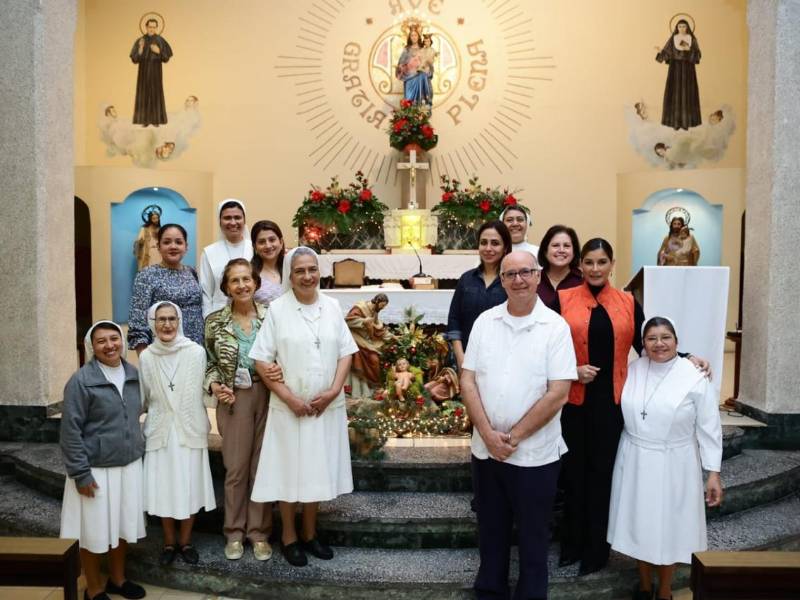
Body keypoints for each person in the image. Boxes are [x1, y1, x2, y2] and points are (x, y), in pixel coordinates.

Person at [556, 238, 710, 576]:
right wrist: (571, 372)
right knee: (574, 473)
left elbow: (649, 344)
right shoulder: (563, 299)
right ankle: (572, 544)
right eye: (589, 262)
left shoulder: (626, 300)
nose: (595, 269)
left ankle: (597, 550)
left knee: (602, 474)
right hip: (573, 401)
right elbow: (548, 347)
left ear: (612, 264)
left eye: (602, 262)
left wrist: (687, 358)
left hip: (612, 402)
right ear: (580, 265)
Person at [460, 251, 577, 599]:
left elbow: (559, 393)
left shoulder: (555, 327)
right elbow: (468, 381)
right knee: (491, 531)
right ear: (502, 281)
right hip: (486, 453)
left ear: (539, 276)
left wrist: (512, 437)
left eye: (526, 272)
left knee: (532, 537)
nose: (518, 280)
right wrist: (487, 434)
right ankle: (490, 592)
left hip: (535, 456)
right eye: (510, 274)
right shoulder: (485, 322)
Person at [249, 247, 358, 567]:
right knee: (289, 472)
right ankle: (289, 537)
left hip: (325, 406)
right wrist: (290, 399)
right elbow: (260, 359)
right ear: (289, 276)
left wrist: (335, 389)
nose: (307, 276)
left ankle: (310, 533)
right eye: (300, 271)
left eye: (312, 270)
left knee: (316, 471)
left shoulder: (333, 306)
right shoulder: (278, 310)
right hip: (291, 408)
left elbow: (346, 352)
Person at [608, 317, 723, 600]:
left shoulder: (694, 375)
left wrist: (713, 472)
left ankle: (666, 591)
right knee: (640, 523)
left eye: (666, 337)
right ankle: (645, 587)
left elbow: (709, 427)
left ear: (677, 342)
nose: (659, 344)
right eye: (651, 338)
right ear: (643, 343)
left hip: (675, 460)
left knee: (668, 526)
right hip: (634, 456)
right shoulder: (633, 369)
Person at [60, 321, 147, 600]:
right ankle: (94, 588)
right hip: (95, 468)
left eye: (114, 338)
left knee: (121, 526)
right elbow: (70, 431)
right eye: (101, 341)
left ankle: (118, 580)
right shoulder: (81, 381)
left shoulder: (133, 374)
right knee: (92, 532)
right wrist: (80, 473)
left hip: (128, 465)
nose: (110, 345)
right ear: (91, 347)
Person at [204, 258, 276, 562]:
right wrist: (214, 386)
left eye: (247, 279)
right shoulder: (214, 322)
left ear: (256, 283)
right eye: (235, 280)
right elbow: (208, 363)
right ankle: (233, 532)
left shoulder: (271, 317)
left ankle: (258, 533)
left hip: (269, 395)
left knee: (262, 467)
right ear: (226, 287)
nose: (242, 285)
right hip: (233, 398)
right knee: (235, 469)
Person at [140, 301, 216, 567]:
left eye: (172, 318)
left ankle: (186, 541)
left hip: (189, 429)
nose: (167, 324)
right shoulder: (146, 356)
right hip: (160, 431)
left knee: (189, 485)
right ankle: (169, 542)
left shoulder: (195, 352)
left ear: (180, 321)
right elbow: (144, 396)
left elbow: (206, 388)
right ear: (153, 323)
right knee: (164, 488)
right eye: (161, 319)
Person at [446, 221, 512, 370]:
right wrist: (460, 357)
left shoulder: (512, 280)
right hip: (466, 356)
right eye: (483, 243)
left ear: (505, 248)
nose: (488, 248)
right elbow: (454, 319)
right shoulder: (466, 279)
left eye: (495, 243)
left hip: (502, 360)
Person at [128, 224, 204, 353]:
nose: (173, 246)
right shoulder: (147, 275)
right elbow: (138, 319)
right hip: (163, 351)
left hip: (196, 348)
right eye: (167, 242)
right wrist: (144, 358)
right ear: (158, 246)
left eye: (178, 242)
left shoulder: (191, 272)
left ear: (186, 247)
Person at [199, 199, 254, 318]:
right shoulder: (209, 252)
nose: (233, 222)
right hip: (219, 317)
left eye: (237, 217)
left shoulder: (255, 249)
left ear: (244, 220)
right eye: (227, 218)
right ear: (220, 222)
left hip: (252, 315)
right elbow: (206, 293)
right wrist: (209, 320)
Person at [656, 19, 701, 130]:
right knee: (675, 94)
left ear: (687, 28)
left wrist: (689, 50)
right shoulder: (673, 39)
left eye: (684, 26)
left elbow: (698, 55)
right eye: (679, 26)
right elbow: (667, 53)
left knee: (687, 94)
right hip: (675, 70)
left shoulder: (692, 39)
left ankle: (687, 123)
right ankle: (675, 123)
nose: (681, 28)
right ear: (676, 27)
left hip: (688, 70)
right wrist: (661, 51)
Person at [130, 18, 172, 127]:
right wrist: (140, 48)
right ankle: (145, 120)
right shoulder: (141, 40)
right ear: (146, 27)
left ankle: (156, 120)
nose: (152, 29)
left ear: (156, 27)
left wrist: (159, 51)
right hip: (143, 72)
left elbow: (166, 58)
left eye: (154, 27)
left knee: (155, 93)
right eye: (150, 27)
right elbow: (134, 60)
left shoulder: (160, 40)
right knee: (144, 93)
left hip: (156, 71)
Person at [346, 293, 392, 388]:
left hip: (367, 338)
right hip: (356, 337)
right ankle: (372, 384)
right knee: (373, 359)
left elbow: (376, 327)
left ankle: (374, 384)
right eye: (382, 305)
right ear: (377, 301)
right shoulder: (360, 307)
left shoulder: (374, 311)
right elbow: (348, 321)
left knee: (377, 355)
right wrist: (363, 322)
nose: (383, 308)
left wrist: (391, 336)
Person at [536, 224, 583, 311]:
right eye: (555, 245)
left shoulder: (583, 281)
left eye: (566, 246)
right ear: (545, 250)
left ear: (574, 252)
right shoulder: (534, 280)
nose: (561, 250)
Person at [395, 26, 433, 107]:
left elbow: (429, 64)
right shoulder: (406, 50)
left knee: (420, 103)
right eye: (412, 35)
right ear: (409, 37)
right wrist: (408, 66)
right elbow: (400, 65)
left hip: (420, 78)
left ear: (419, 36)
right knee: (408, 101)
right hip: (409, 79)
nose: (414, 37)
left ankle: (420, 115)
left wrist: (427, 69)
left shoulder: (423, 49)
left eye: (415, 35)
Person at [251, 220, 285, 306]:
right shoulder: (249, 273)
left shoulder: (292, 268)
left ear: (281, 242)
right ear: (255, 246)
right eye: (262, 242)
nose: (268, 246)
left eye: (272, 240)